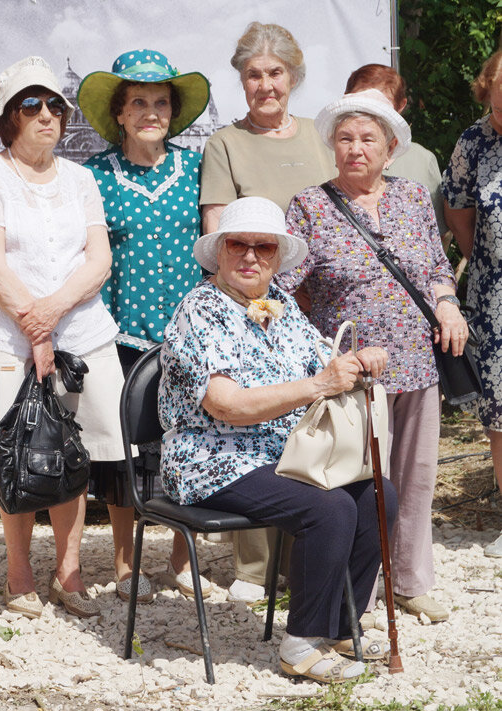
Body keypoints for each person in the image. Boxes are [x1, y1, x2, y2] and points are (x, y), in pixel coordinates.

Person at [160, 196, 396, 683]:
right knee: (328, 508)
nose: (250, 256)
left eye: (262, 246)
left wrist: (359, 359)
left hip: (280, 453)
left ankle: (342, 625)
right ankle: (302, 643)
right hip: (211, 458)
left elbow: (325, 361)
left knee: (379, 494)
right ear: (219, 254)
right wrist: (319, 385)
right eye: (238, 245)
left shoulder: (281, 305)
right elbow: (226, 405)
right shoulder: (200, 310)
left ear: (276, 257)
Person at [279, 89, 465, 624]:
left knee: (415, 476)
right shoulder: (311, 205)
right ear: (333, 149)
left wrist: (449, 305)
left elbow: (433, 267)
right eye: (345, 139)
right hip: (353, 372)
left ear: (389, 147)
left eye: (367, 139)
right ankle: (344, 589)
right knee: (351, 481)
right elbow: (287, 281)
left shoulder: (410, 197)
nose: (355, 149)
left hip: (416, 363)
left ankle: (408, 581)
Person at [0, 56, 123, 619]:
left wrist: (49, 316)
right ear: (9, 117)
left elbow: (98, 259)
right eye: (33, 105)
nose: (48, 115)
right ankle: (18, 569)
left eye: (57, 105)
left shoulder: (81, 179)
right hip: (10, 343)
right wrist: (35, 329)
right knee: (18, 454)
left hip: (84, 336)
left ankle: (69, 570)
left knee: (73, 456)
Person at [199, 21, 337, 603]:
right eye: (253, 74)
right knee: (253, 427)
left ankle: (312, 559)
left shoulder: (320, 138)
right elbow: (219, 230)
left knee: (313, 429)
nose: (265, 85)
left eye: (275, 73)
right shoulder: (224, 144)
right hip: (254, 305)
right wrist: (258, 300)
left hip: (321, 305)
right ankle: (254, 569)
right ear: (242, 80)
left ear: (293, 76)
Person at [77, 49, 213, 602]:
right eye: (139, 102)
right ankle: (126, 563)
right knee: (122, 450)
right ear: (120, 112)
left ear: (172, 112)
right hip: (119, 333)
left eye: (160, 102)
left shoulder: (198, 169)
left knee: (192, 442)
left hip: (190, 333)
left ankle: (182, 561)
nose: (150, 112)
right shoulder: (93, 176)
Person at [443, 48, 502, 560]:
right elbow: (458, 206)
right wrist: (481, 260)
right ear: (487, 89)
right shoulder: (474, 141)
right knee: (501, 413)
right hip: (495, 294)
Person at [345, 64, 447, 237]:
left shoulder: (422, 160)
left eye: (380, 105)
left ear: (401, 106)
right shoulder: (334, 154)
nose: (370, 113)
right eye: (361, 103)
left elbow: (437, 236)